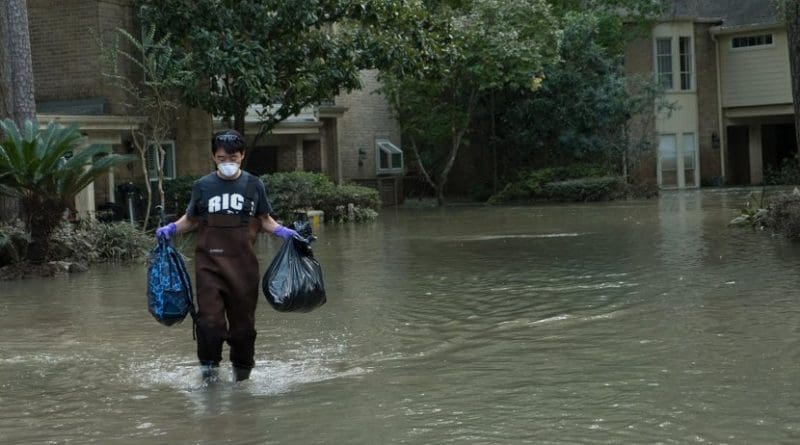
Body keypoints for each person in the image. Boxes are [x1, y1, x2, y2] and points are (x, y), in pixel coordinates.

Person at [155, 129, 297, 382]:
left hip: (244, 268)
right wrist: (171, 229)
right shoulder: (203, 186)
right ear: (213, 157)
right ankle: (209, 374)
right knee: (209, 323)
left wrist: (285, 232)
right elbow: (191, 219)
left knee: (243, 329)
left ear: (242, 156)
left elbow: (265, 220)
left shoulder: (254, 185)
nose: (227, 163)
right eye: (222, 158)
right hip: (208, 266)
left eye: (233, 158)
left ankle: (242, 377)